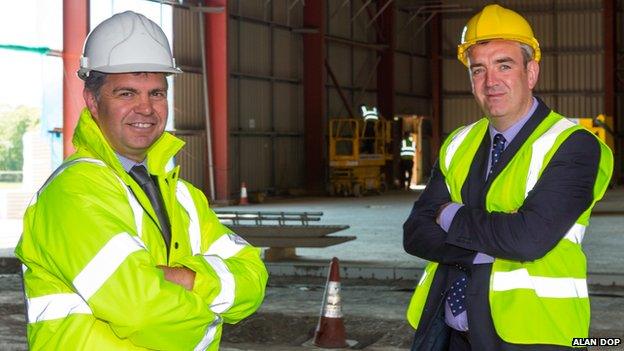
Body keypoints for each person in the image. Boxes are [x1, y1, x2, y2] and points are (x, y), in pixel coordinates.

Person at [15, 11, 267, 350]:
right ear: (92, 101)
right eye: (126, 94)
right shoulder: (73, 193)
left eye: (156, 93)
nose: (145, 108)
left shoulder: (182, 196)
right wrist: (210, 319)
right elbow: (142, 312)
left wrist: (185, 277)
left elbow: (253, 277)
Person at [403, 4, 612, 350]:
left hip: (534, 333)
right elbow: (415, 232)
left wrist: (449, 214)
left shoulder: (573, 145)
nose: (491, 81)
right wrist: (489, 244)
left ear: (531, 73)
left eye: (505, 65)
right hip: (448, 331)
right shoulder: (458, 142)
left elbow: (528, 239)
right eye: (478, 70)